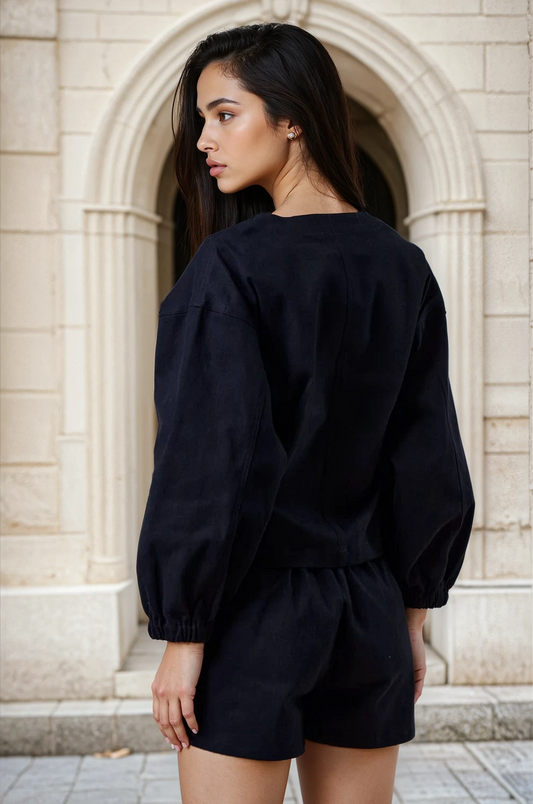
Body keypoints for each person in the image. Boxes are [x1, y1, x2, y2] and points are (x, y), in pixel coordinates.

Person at [135, 21, 475, 804]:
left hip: (250, 618)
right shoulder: (403, 266)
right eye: (201, 121)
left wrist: (183, 635)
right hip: (368, 612)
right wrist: (411, 616)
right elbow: (427, 455)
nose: (203, 141)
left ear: (292, 117)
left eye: (224, 114)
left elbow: (207, 463)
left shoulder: (226, 267)